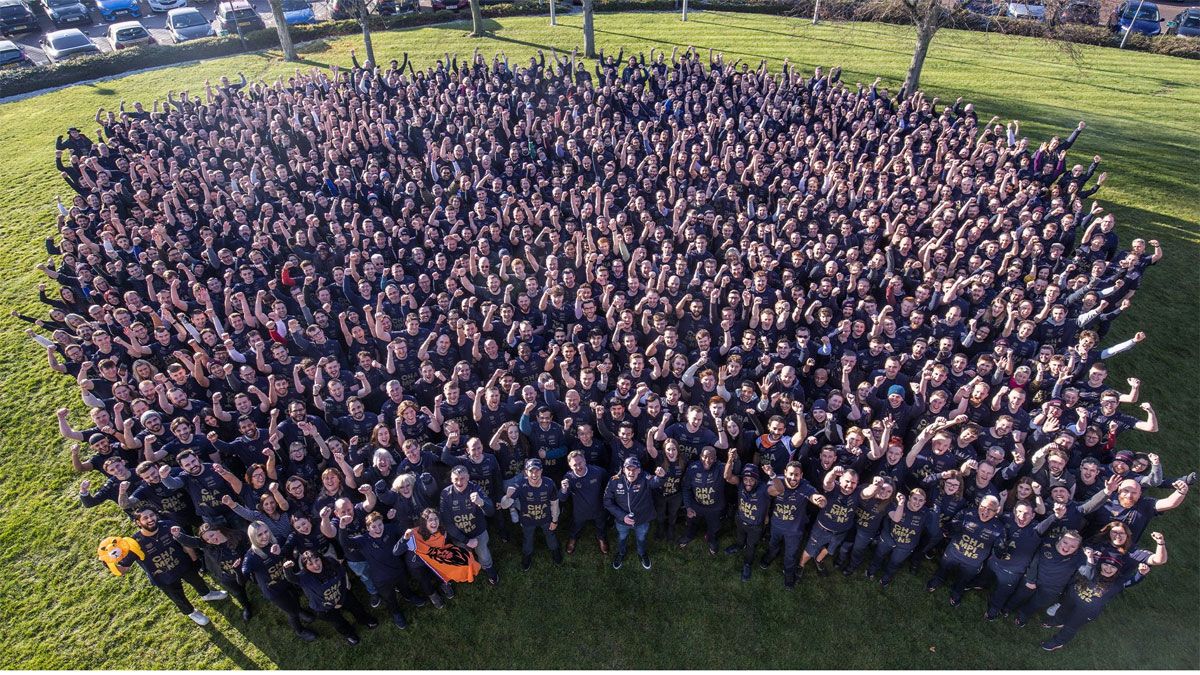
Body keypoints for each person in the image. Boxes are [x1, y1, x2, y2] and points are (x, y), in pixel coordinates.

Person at [116, 506, 228, 626]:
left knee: (197, 581)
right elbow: (123, 570)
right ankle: (191, 612)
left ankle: (206, 594)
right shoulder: (133, 543)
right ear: (138, 522)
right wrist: (110, 563)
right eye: (145, 518)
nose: (150, 519)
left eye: (151, 515)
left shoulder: (168, 525)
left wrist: (194, 560)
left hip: (183, 565)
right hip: (163, 577)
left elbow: (186, 545)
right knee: (177, 597)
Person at [241, 521, 318, 641]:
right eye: (259, 535)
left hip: (287, 580)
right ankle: (300, 631)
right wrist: (241, 573)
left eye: (266, 531)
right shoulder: (251, 556)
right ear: (253, 537)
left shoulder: (278, 540)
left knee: (295, 599)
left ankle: (300, 611)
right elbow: (243, 576)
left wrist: (282, 552)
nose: (265, 536)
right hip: (274, 590)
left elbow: (288, 553)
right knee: (291, 612)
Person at [283, 549, 378, 645]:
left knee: (357, 608)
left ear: (321, 558)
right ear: (305, 567)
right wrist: (287, 569)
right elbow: (291, 578)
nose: (316, 565)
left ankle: (365, 620)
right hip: (323, 607)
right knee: (338, 622)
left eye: (317, 560)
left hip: (341, 594)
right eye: (310, 564)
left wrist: (340, 600)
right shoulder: (304, 577)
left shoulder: (330, 562)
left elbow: (342, 575)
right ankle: (349, 634)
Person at [927, 495, 1007, 606]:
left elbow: (999, 551)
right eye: (983, 507)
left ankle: (957, 591)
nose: (985, 512)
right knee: (943, 568)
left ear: (997, 511)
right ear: (979, 505)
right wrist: (950, 529)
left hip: (973, 562)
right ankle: (938, 579)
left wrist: (1000, 550)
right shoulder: (966, 513)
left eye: (990, 510)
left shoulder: (999, 528)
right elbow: (950, 528)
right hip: (953, 553)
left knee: (964, 579)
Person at [763, 461, 826, 589]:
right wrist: (773, 477)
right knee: (773, 544)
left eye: (796, 475)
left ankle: (788, 572)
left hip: (794, 530)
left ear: (801, 475)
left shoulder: (805, 486)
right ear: (785, 472)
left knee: (790, 554)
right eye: (790, 474)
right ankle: (770, 555)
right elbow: (770, 491)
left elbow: (815, 497)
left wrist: (820, 500)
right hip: (776, 524)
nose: (793, 478)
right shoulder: (778, 480)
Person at [439, 465, 499, 584]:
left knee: (484, 554)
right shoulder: (445, 493)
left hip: (478, 532)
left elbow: (491, 511)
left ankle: (489, 569)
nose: (459, 482)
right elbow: (447, 523)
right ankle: (468, 572)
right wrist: (466, 541)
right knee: (464, 556)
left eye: (462, 478)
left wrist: (481, 502)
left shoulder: (476, 489)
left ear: (468, 478)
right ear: (451, 479)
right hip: (459, 534)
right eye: (456, 479)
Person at [499, 458, 562, 570]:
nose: (534, 474)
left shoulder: (549, 483)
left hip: (546, 519)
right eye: (531, 471)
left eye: (537, 470)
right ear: (525, 472)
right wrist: (507, 496)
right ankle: (527, 556)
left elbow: (555, 504)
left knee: (551, 536)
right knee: (527, 539)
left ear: (541, 471)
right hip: (527, 520)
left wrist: (555, 520)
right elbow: (504, 505)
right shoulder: (519, 485)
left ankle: (555, 551)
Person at [603, 457, 665, 570]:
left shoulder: (644, 477)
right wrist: (622, 516)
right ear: (623, 469)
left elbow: (655, 482)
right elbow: (607, 501)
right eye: (628, 469)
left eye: (635, 469)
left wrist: (660, 477)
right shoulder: (614, 480)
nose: (631, 472)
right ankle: (621, 553)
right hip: (622, 521)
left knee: (641, 538)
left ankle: (642, 554)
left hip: (642, 519)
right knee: (622, 537)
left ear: (639, 470)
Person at [724, 452, 770, 582]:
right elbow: (727, 477)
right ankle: (739, 546)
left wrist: (771, 474)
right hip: (740, 518)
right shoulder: (740, 483)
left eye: (751, 480)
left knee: (751, 546)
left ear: (757, 480)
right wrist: (730, 460)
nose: (748, 482)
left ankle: (747, 564)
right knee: (740, 537)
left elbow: (778, 489)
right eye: (745, 479)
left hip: (755, 525)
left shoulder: (763, 488)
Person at [559, 450, 609, 555]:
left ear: (585, 461)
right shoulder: (568, 477)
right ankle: (573, 539)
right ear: (570, 466)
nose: (578, 467)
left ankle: (601, 538)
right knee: (576, 526)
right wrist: (563, 489)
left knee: (601, 525)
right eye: (574, 465)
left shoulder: (598, 471)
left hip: (599, 509)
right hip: (580, 511)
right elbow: (563, 498)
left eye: (580, 463)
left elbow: (607, 483)